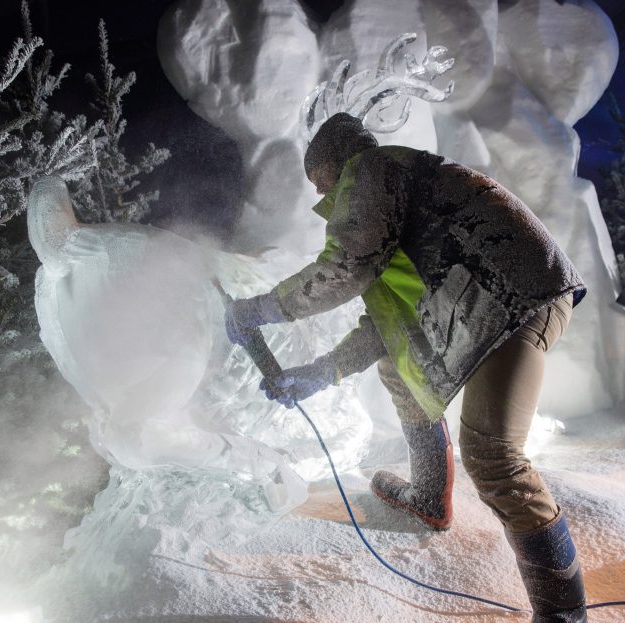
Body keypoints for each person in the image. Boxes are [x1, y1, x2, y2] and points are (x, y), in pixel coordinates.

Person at [224, 112, 588, 623]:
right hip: (489, 304)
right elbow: (384, 326)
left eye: (317, 182)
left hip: (512, 301)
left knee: (494, 457)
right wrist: (322, 370)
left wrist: (259, 309)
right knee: (399, 370)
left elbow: (347, 266)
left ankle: (563, 615)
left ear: (329, 165)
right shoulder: (396, 190)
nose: (320, 196)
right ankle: (428, 494)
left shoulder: (372, 169)